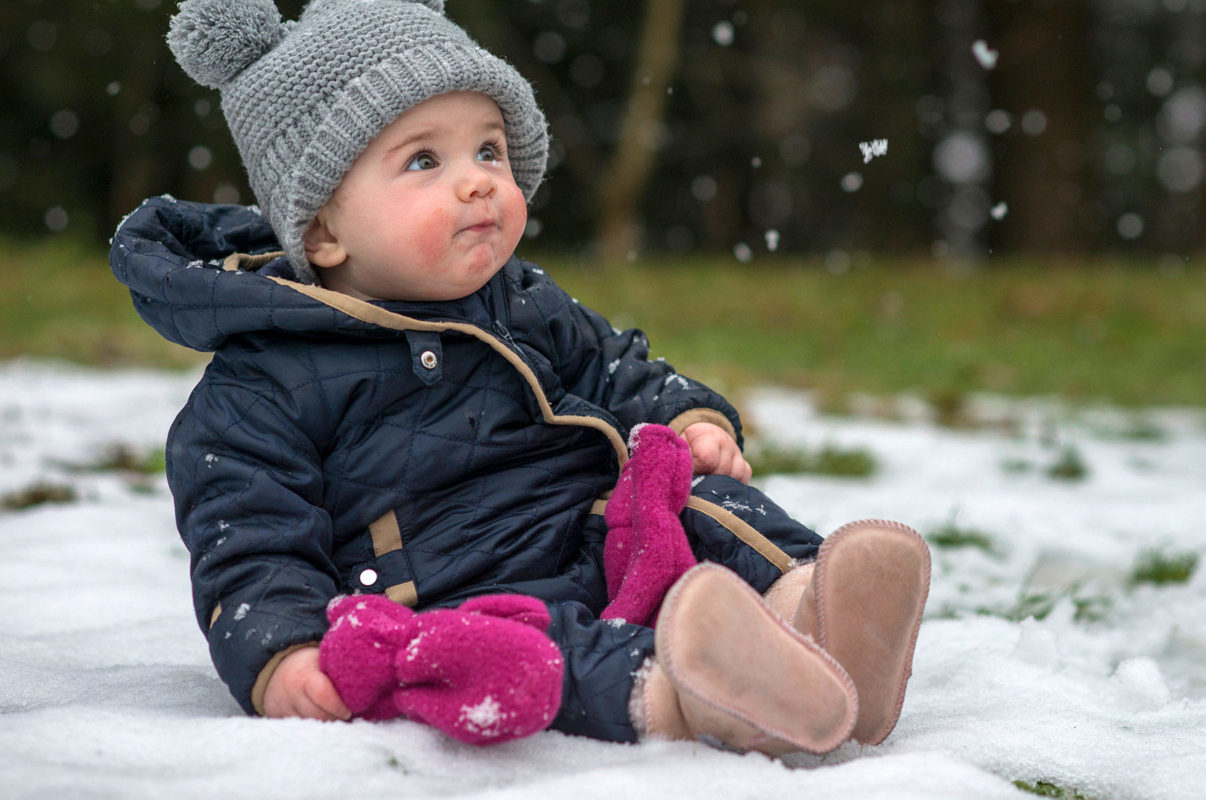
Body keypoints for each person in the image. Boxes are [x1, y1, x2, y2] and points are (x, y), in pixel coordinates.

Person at [110, 0, 930, 755]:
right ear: (323, 230)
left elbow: (615, 367)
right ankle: (700, 697)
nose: (478, 179)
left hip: (601, 538)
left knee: (703, 504)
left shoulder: (520, 301)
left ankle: (816, 615)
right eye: (424, 159)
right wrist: (280, 654)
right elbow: (247, 544)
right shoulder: (261, 386)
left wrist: (690, 421)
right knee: (528, 656)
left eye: (490, 149)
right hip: (456, 597)